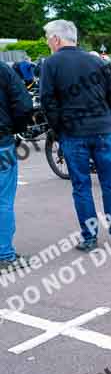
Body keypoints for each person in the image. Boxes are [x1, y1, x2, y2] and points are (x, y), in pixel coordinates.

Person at [39, 20, 111, 252]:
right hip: (102, 131)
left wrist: (59, 131)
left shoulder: (51, 64)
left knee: (81, 187)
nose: (48, 42)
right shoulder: (99, 62)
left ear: (57, 39)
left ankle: (89, 238)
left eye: (48, 38)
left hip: (73, 134)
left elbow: (48, 103)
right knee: (110, 184)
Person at [0, 59, 33, 272]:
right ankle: (5, 255)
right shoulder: (3, 70)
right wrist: (17, 130)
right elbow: (24, 105)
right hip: (2, 142)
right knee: (3, 200)